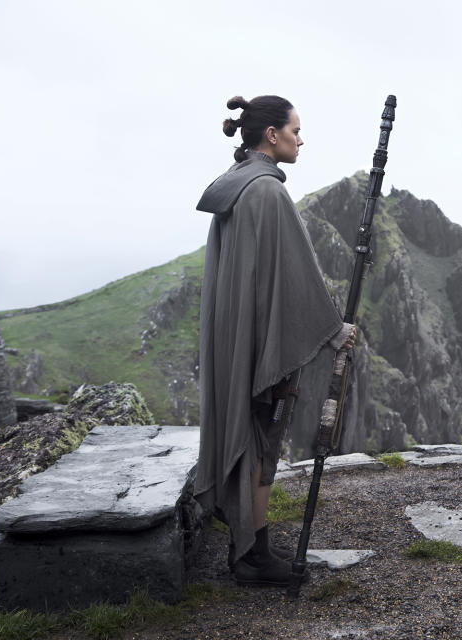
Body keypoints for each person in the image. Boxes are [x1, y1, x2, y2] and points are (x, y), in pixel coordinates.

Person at [194, 95, 354, 586]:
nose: (300, 139)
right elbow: (295, 277)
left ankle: (253, 543)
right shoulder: (267, 193)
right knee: (263, 438)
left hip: (240, 331)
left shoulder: (234, 186)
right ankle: (252, 558)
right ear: (271, 135)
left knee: (258, 434)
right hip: (263, 340)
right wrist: (334, 332)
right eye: (295, 130)